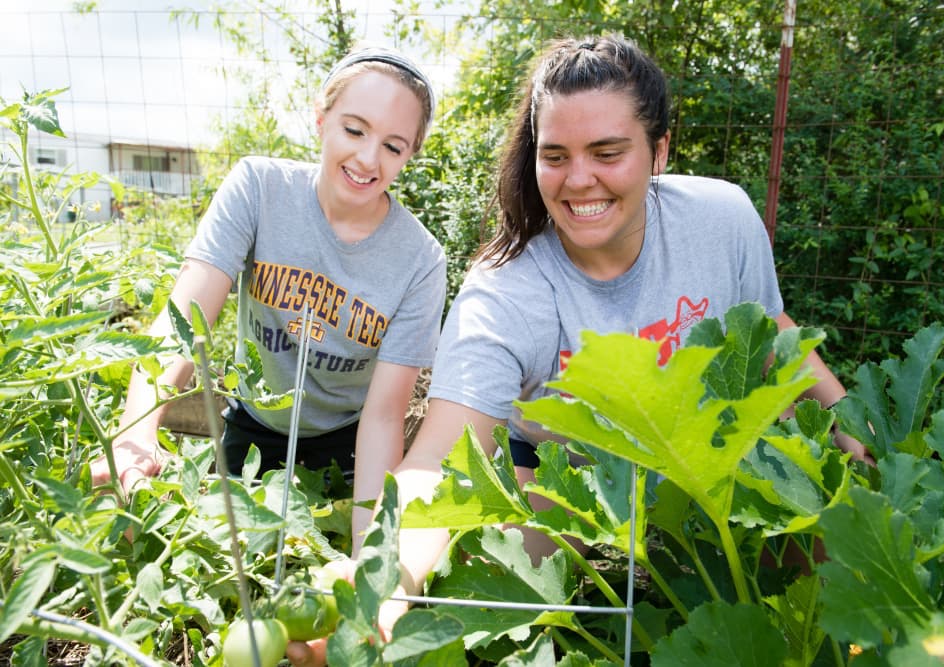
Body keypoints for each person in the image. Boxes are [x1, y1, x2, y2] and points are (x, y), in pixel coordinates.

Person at [287, 34, 870, 665]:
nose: (579, 179)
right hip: (570, 483)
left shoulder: (720, 218)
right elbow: (440, 456)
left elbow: (772, 333)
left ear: (660, 151)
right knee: (495, 577)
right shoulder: (507, 292)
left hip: (701, 464)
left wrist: (851, 430)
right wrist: (383, 582)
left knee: (816, 521)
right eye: (556, 155)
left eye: (608, 152)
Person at [90, 45, 447, 556]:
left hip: (346, 442)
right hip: (253, 424)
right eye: (354, 129)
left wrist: (371, 558)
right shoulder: (259, 189)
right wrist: (136, 433)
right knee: (222, 567)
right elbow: (183, 325)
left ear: (410, 153)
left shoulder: (420, 259)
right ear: (321, 119)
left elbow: (386, 415)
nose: (369, 159)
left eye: (394, 146)